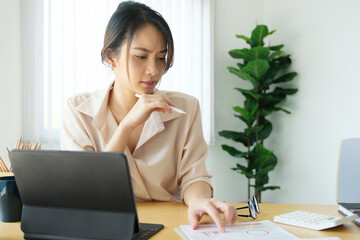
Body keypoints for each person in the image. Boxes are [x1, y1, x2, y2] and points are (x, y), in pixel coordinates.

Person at [61, 1, 237, 232]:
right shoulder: (78, 110)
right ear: (109, 57)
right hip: (103, 229)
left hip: (170, 227)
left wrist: (198, 200)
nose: (154, 70)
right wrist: (126, 126)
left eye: (161, 57)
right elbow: (85, 192)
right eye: (141, 57)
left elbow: (194, 177)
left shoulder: (186, 108)